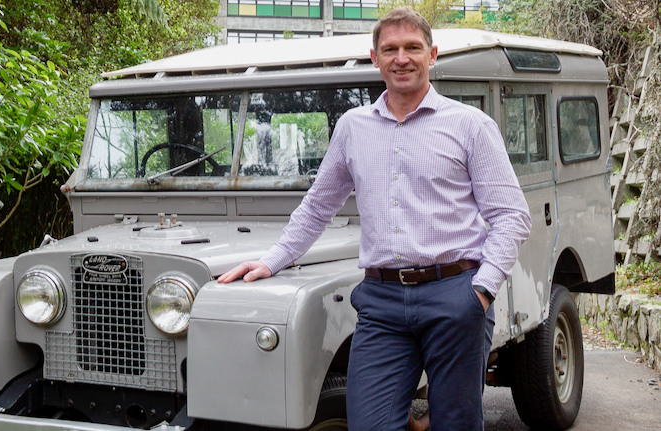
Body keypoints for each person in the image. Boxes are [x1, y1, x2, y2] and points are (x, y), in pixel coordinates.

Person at [218, 8, 532, 431]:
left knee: (455, 423)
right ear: (375, 58)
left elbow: (511, 214)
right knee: (369, 424)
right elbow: (318, 205)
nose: (401, 58)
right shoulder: (353, 127)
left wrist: (481, 290)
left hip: (456, 294)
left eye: (412, 48)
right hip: (382, 303)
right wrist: (273, 259)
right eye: (390, 49)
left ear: (432, 55)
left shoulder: (470, 125)